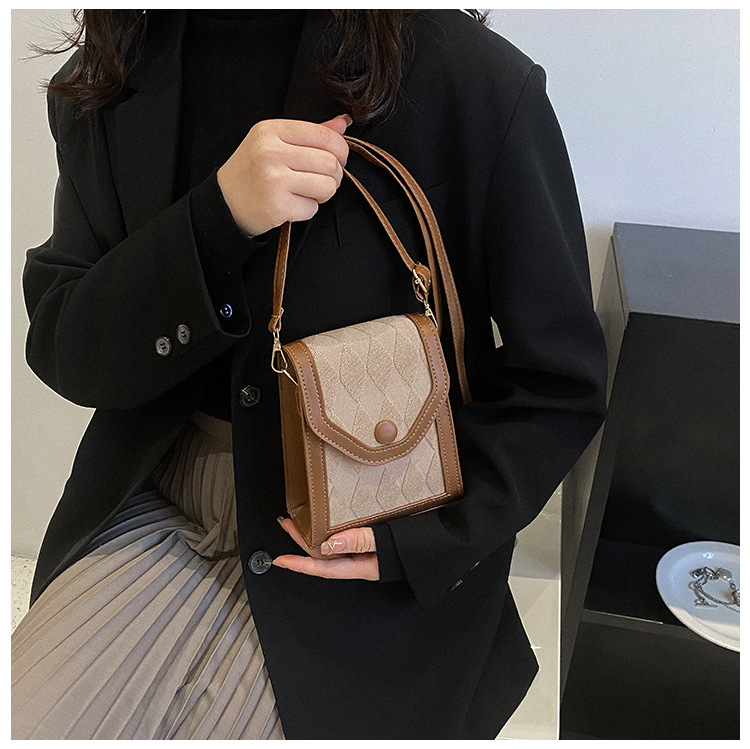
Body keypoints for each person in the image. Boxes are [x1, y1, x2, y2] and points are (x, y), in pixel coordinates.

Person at [11, 9, 607, 740]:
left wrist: (432, 538)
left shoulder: (468, 77)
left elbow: (560, 384)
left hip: (363, 536)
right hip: (155, 503)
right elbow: (69, 347)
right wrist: (215, 219)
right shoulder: (107, 76)